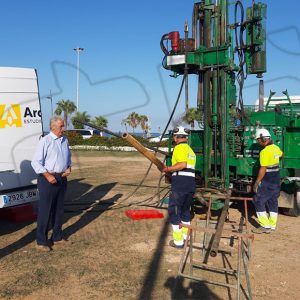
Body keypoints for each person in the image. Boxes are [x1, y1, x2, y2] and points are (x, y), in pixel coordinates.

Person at [31, 116, 72, 251]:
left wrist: (68, 167)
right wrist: (47, 175)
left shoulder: (64, 140)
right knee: (45, 210)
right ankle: (41, 242)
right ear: (52, 127)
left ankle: (57, 238)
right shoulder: (45, 141)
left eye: (63, 126)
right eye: (61, 126)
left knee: (59, 210)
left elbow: (68, 158)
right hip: (47, 180)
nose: (63, 129)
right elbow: (36, 162)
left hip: (61, 179)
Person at [161, 126, 196, 248]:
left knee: (174, 211)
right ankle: (186, 238)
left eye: (174, 137)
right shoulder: (190, 150)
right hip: (190, 184)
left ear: (176, 137)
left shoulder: (179, 148)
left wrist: (167, 168)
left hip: (180, 184)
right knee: (185, 211)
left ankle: (178, 242)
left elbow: (182, 164)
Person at [252, 128, 283, 234]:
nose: (258, 142)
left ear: (263, 139)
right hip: (276, 178)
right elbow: (281, 154)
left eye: (258, 140)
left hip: (267, 180)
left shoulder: (264, 152)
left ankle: (265, 225)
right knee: (273, 201)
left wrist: (257, 182)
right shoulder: (276, 148)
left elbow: (263, 168)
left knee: (258, 200)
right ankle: (272, 226)